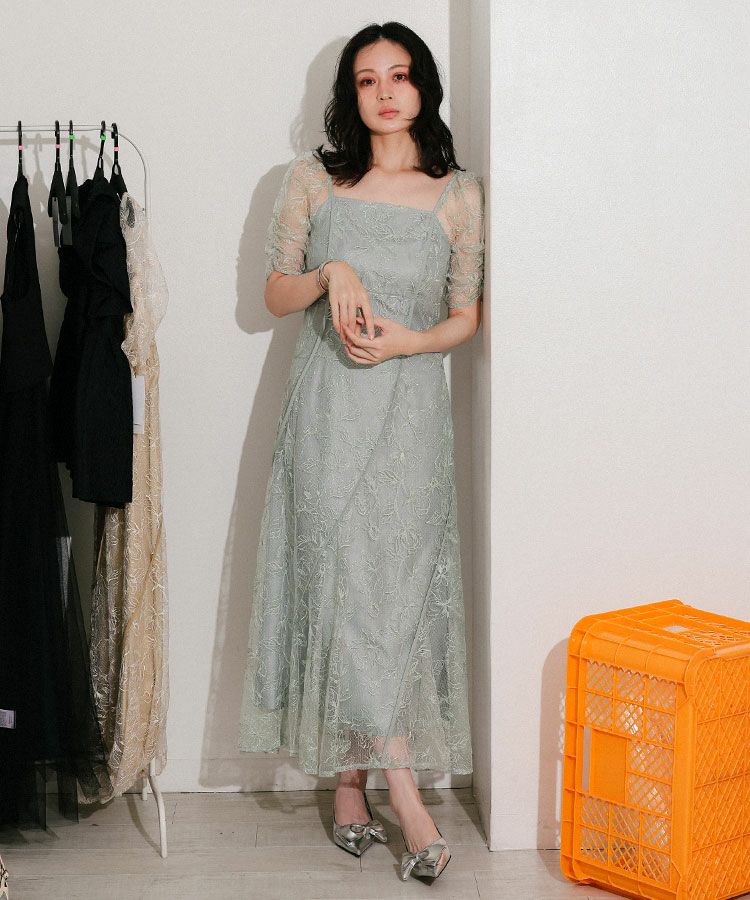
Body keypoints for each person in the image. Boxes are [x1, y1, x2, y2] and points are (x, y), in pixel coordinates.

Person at [239, 20, 485, 884]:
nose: (385, 92)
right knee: (341, 588)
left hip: (411, 420)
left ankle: (350, 779)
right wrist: (331, 271)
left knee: (392, 601)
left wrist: (412, 342)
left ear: (423, 88)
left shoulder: (459, 195)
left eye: (400, 75)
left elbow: (465, 315)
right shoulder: (314, 180)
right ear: (350, 93)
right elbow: (274, 294)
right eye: (368, 79)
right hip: (326, 416)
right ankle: (406, 799)